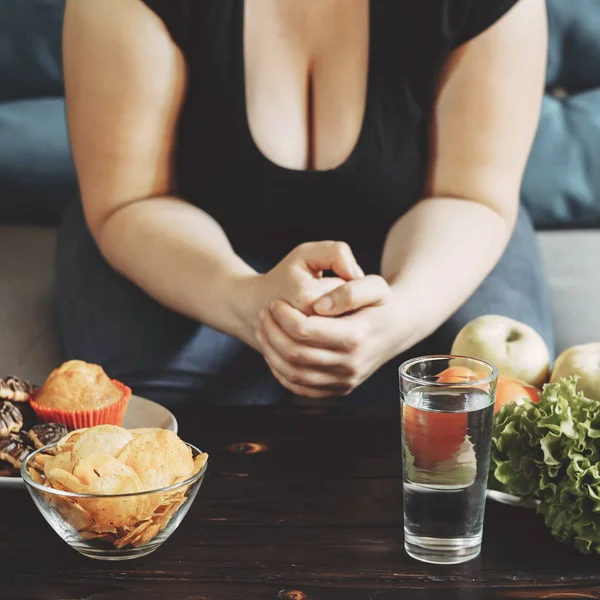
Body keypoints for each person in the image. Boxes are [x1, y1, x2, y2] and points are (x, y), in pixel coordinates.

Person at [57, 0, 552, 408]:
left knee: (485, 401)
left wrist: (400, 313)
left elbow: (469, 195)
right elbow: (132, 197)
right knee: (154, 419)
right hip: (175, 228)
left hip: (435, 223)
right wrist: (246, 301)